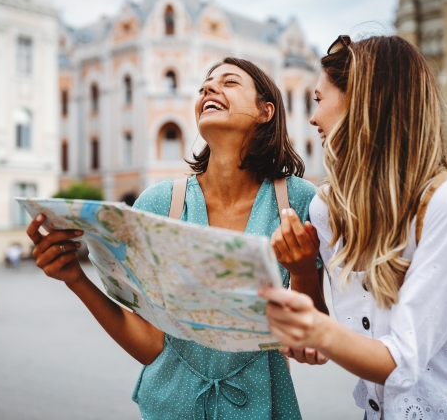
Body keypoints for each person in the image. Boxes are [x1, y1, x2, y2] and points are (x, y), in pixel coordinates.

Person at [26, 57, 327, 419]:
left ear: (266, 111)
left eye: (229, 82)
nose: (208, 89)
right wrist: (76, 278)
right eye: (204, 86)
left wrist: (305, 271)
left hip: (263, 409)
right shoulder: (158, 203)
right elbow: (151, 345)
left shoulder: (299, 201)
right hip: (168, 408)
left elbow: (312, 340)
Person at [260, 35, 447, 417]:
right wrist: (302, 272)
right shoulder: (328, 209)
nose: (311, 117)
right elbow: (322, 348)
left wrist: (309, 326)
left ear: (364, 101)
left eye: (319, 100)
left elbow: (399, 361)